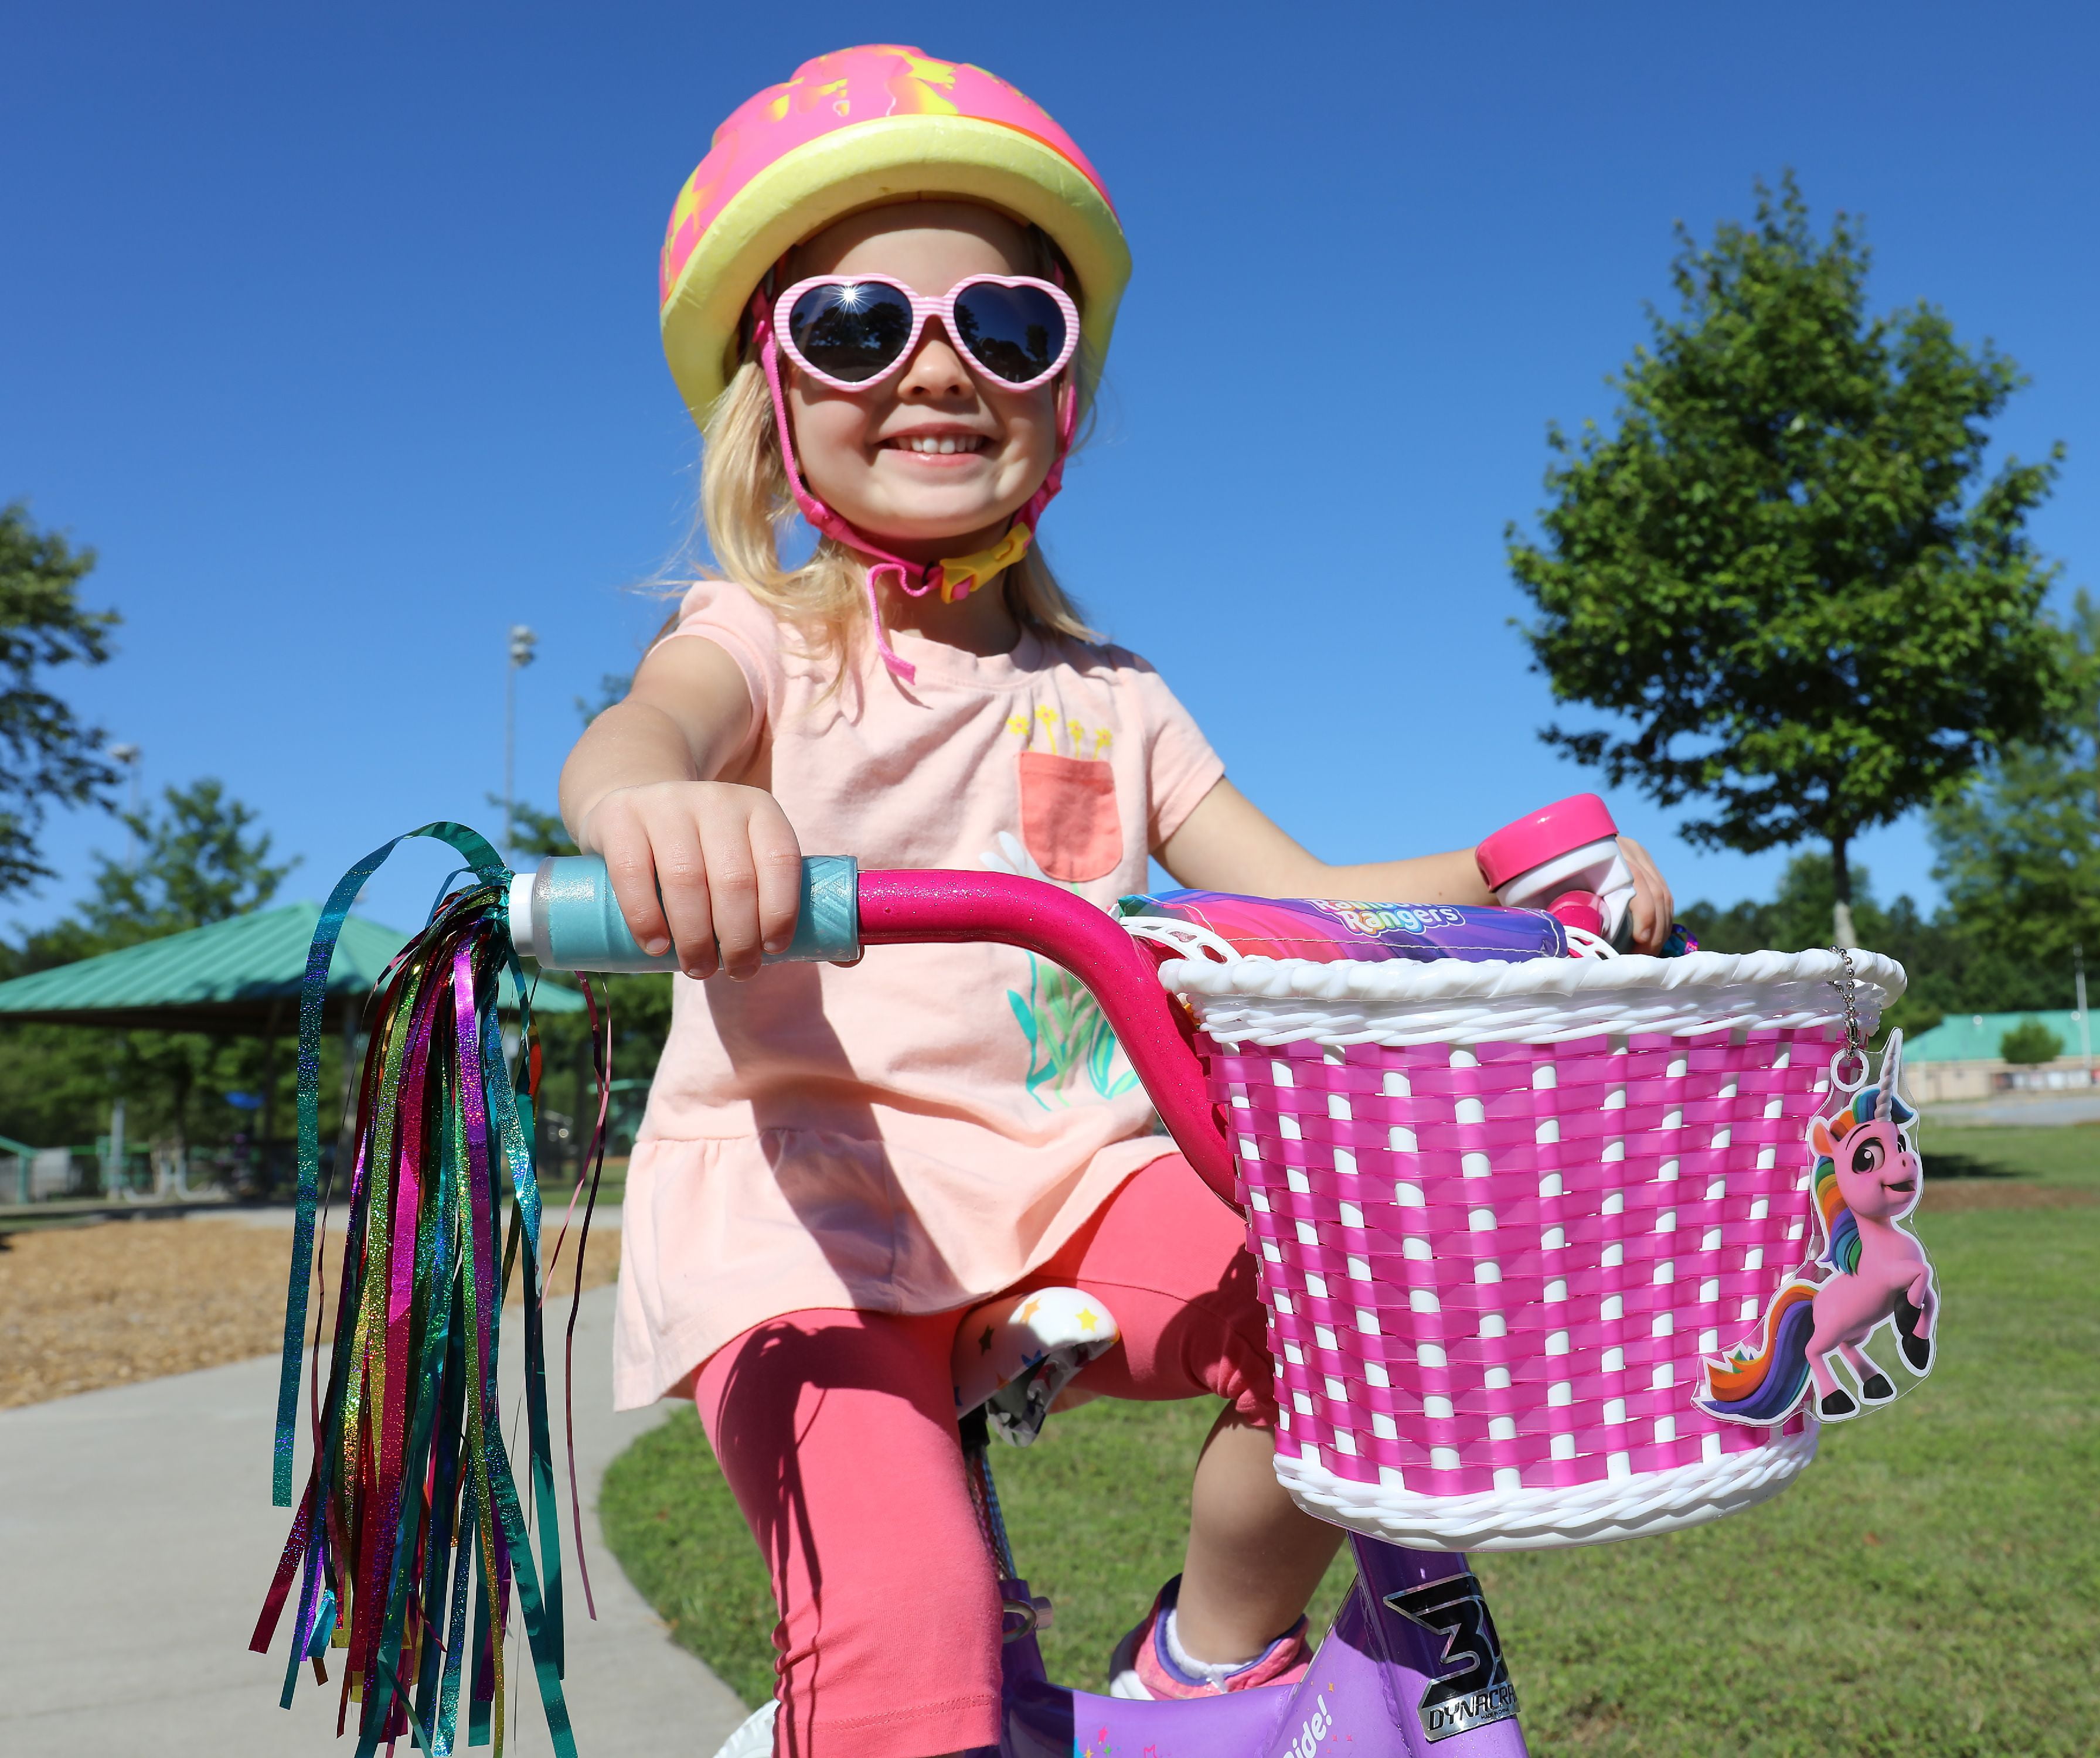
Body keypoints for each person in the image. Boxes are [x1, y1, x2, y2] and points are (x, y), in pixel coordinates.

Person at [561, 46, 1670, 1758]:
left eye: (1006, 327)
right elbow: (647, 732)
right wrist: (656, 805)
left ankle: (1207, 1663)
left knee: (1362, 1310)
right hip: (806, 1214)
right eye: (859, 327)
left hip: (1070, 1186)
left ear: (1060, 395)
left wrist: (1504, 870)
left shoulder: (1114, 697)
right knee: (906, 1630)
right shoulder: (762, 640)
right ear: (772, 397)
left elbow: (1302, 900)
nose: (939, 368)